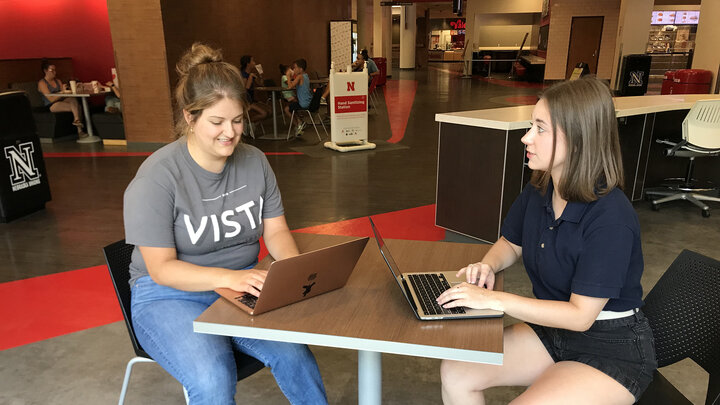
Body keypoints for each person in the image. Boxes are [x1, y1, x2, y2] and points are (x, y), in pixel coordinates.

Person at [123, 43, 328, 405]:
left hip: (243, 285)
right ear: (189, 116)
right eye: (216, 122)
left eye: (237, 120)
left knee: (295, 355)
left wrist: (293, 272)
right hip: (170, 295)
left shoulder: (255, 162)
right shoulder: (157, 177)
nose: (230, 133)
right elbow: (161, 269)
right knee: (212, 377)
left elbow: (276, 230)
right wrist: (229, 278)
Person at [437, 76, 656, 405]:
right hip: (554, 332)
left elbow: (581, 316)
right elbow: (511, 243)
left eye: (540, 128)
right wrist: (488, 265)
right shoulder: (540, 189)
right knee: (456, 370)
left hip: (610, 348)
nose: (527, 137)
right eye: (531, 125)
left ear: (578, 139)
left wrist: (496, 301)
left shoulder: (612, 218)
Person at [37, 60, 86, 138]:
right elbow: (50, 99)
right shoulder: (42, 83)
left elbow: (63, 95)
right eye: (51, 70)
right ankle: (80, 131)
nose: (54, 72)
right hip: (51, 105)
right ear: (45, 71)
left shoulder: (58, 81)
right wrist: (62, 93)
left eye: (55, 70)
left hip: (61, 101)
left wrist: (67, 91)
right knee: (77, 107)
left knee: (73, 100)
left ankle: (77, 120)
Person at [239, 55, 271, 123]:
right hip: (246, 101)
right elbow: (245, 88)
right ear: (248, 64)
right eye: (253, 61)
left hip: (252, 100)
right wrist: (250, 77)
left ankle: (252, 124)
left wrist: (260, 75)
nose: (254, 63)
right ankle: (247, 123)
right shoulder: (243, 74)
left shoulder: (251, 74)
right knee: (264, 113)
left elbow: (261, 84)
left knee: (269, 111)